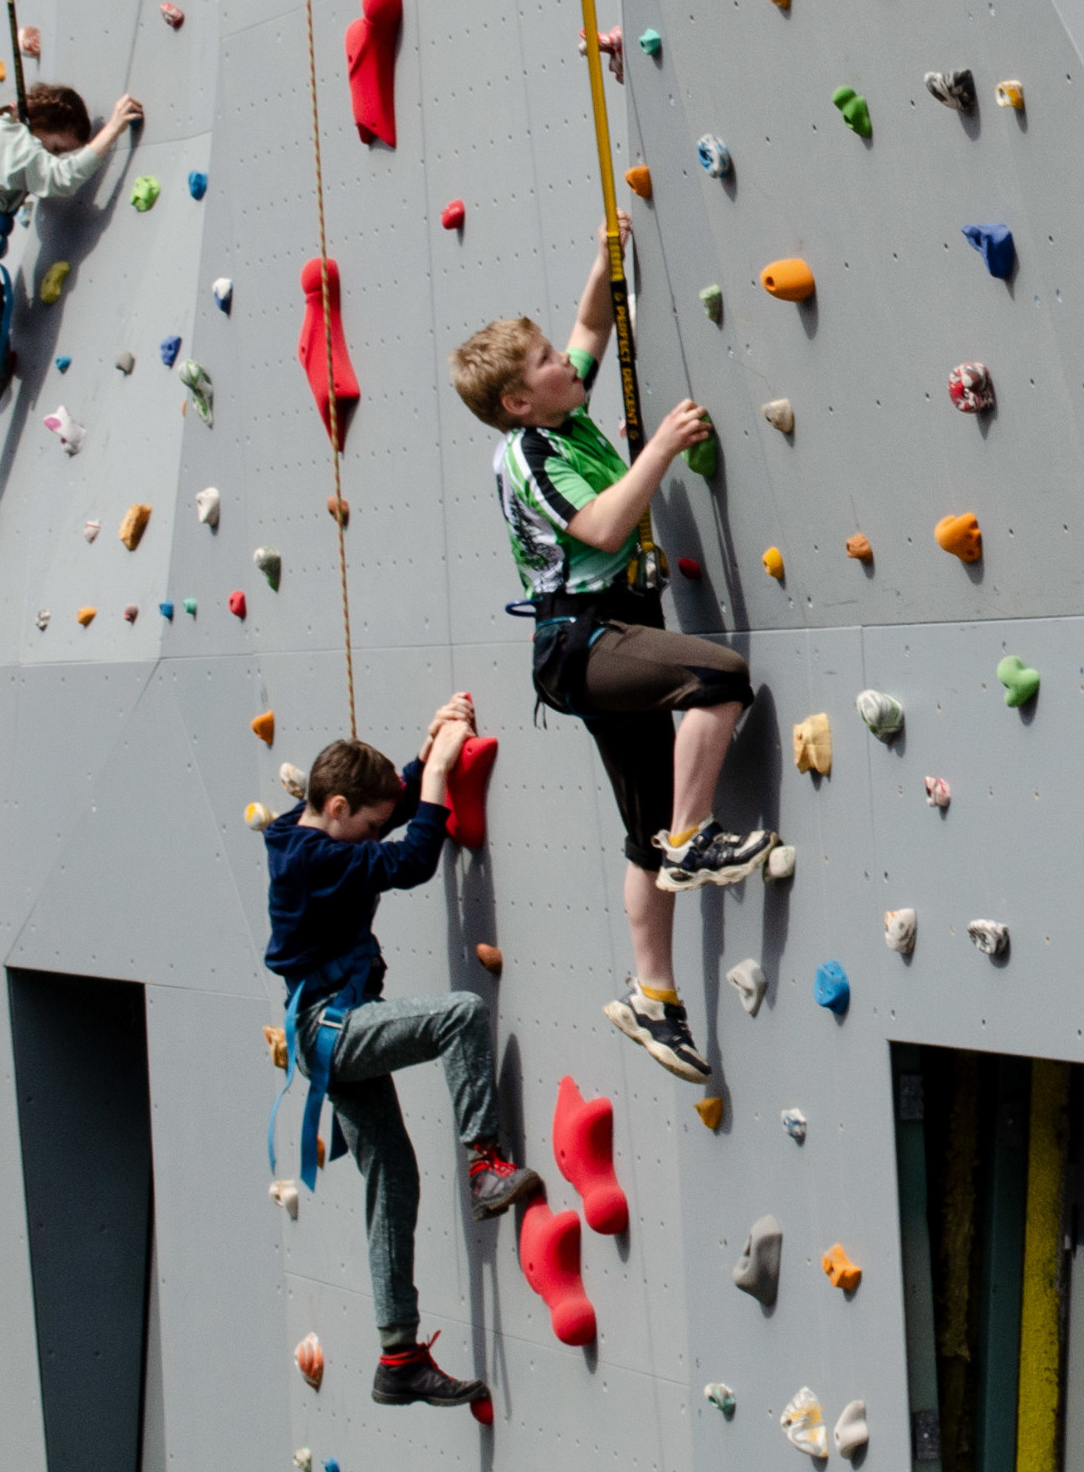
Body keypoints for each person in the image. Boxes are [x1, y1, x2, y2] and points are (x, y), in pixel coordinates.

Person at [448, 238, 771, 1086]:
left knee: (641, 835)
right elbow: (599, 529)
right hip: (582, 641)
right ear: (519, 400)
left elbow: (591, 324)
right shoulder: (532, 456)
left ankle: (653, 999)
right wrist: (659, 449)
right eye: (550, 361)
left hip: (611, 628)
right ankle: (694, 840)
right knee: (719, 678)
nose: (568, 359)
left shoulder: (561, 407)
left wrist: (604, 259)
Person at [263, 695, 545, 1411]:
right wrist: (442, 767)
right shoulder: (315, 859)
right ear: (332, 807)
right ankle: (486, 1165)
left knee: (393, 1179)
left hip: (332, 1025)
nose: (371, 836)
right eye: (364, 826)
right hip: (334, 1026)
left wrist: (429, 745)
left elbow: (391, 812)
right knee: (461, 1015)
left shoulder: (316, 834)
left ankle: (398, 1355)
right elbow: (416, 860)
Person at [0, 84, 144, 528]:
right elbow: (61, 180)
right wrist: (112, 129)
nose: (55, 158)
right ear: (46, 131)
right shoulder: (18, 142)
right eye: (57, 148)